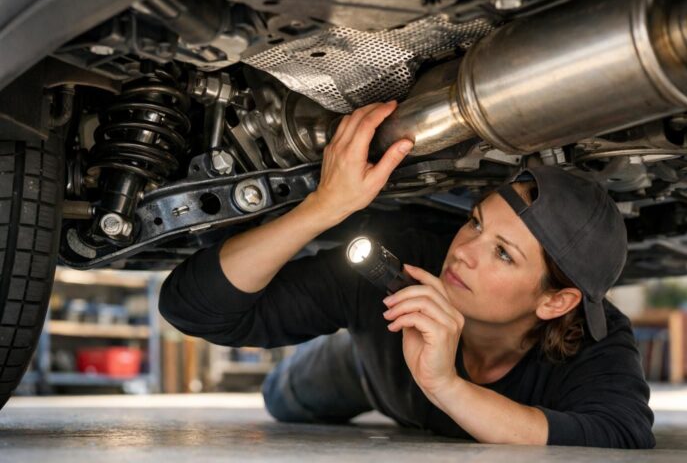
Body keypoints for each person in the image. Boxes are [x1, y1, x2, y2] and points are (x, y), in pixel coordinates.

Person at [159, 100, 655, 448]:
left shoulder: (594, 338)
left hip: (423, 390)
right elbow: (194, 309)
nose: (464, 253)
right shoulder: (393, 265)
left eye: (503, 254)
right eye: (475, 222)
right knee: (281, 397)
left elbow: (621, 436)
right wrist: (322, 208)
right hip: (367, 370)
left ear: (555, 301)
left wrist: (446, 385)